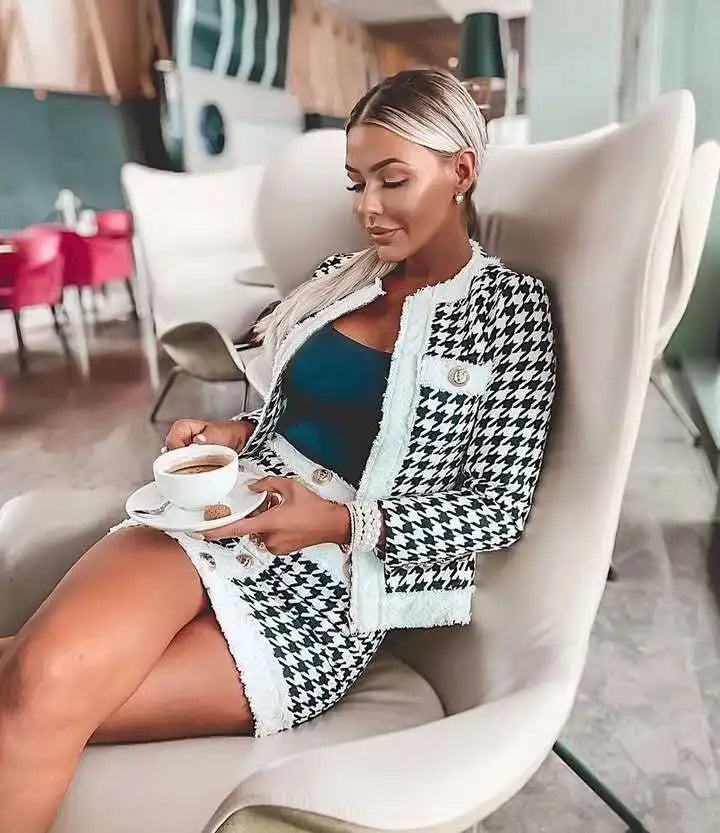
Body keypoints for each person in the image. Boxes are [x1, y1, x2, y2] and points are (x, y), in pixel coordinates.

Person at [0, 68, 556, 832]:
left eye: (393, 180)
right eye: (357, 182)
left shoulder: (512, 313)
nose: (367, 207)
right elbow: (293, 413)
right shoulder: (338, 282)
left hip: (326, 599)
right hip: (218, 514)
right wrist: (234, 435)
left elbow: (497, 508)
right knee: (37, 676)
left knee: (37, 692)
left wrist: (338, 521)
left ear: (461, 169)